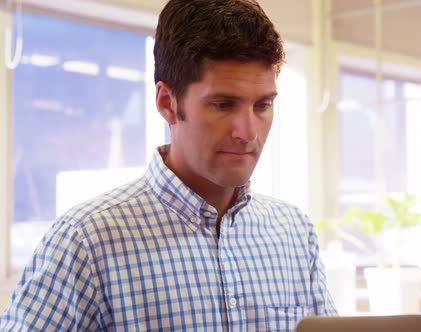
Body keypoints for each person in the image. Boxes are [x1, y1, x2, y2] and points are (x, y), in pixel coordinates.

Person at [0, 0, 337, 330]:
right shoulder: (86, 241)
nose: (248, 133)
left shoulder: (294, 232)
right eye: (222, 104)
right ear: (167, 103)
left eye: (262, 105)